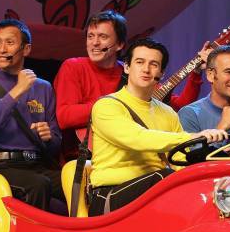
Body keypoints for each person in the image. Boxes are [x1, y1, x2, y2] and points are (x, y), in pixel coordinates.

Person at [88, 38, 227, 216]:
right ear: (127, 67)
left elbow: (179, 160)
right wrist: (193, 136)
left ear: (161, 73)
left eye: (153, 64)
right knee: (164, 178)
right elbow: (137, 138)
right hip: (110, 196)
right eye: (139, 62)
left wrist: (205, 182)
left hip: (155, 191)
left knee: (209, 186)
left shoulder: (168, 112)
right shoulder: (107, 105)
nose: (146, 69)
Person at [54, 10, 210, 155]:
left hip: (132, 152)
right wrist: (115, 105)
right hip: (83, 155)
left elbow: (179, 105)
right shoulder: (73, 66)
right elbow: (65, 117)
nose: (94, 43)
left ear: (120, 44)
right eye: (90, 36)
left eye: (103, 37)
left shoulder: (135, 69)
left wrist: (196, 72)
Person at [0, 19, 64, 211]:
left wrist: (48, 137)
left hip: (37, 163)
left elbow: (55, 144)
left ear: (26, 49)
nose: (1, 49)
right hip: (0, 166)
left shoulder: (43, 87)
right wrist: (16, 91)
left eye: (9, 43)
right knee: (38, 184)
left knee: (77, 182)